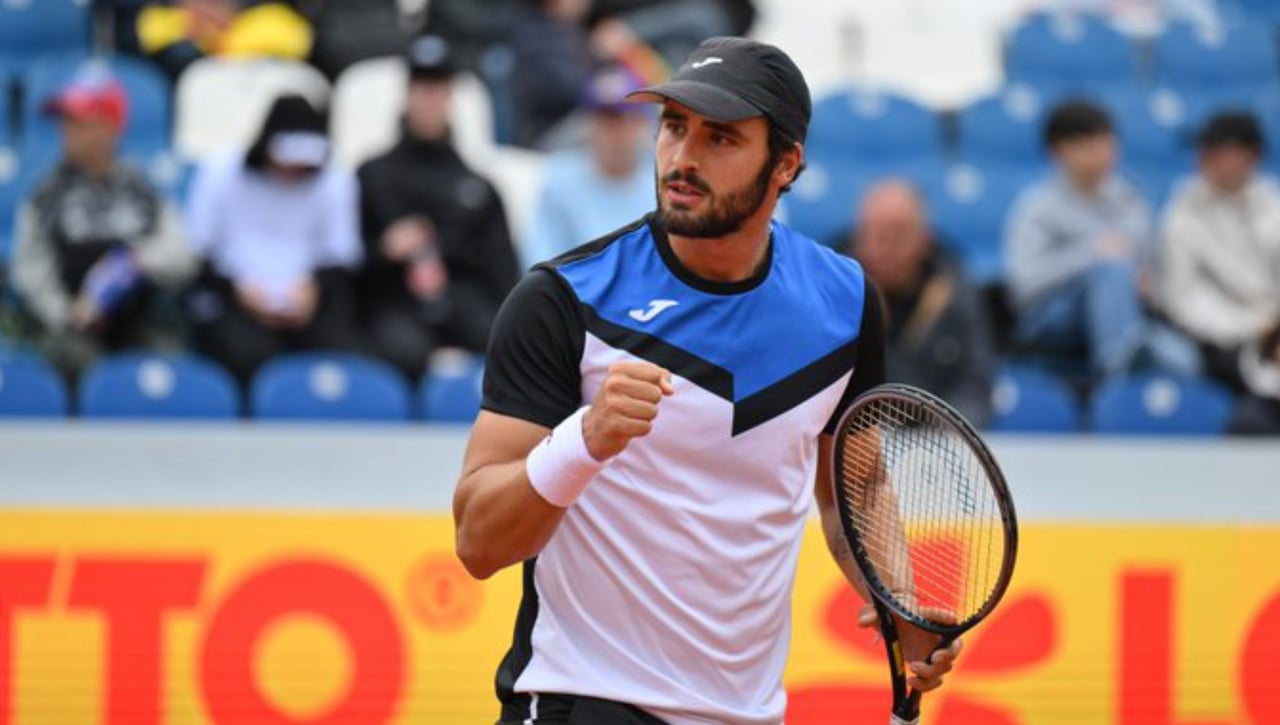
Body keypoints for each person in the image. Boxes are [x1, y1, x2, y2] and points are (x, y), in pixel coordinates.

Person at [453, 37, 960, 725]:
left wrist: (896, 597)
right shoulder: (563, 299)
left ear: (786, 165)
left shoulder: (845, 302)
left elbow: (854, 487)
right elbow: (479, 542)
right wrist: (585, 439)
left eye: (719, 137)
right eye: (672, 126)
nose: (683, 157)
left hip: (745, 712)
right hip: (585, 697)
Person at [11, 64, 195, 375]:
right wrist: (66, 313)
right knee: (73, 361)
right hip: (71, 325)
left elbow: (182, 256)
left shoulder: (143, 190)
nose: (67, 132)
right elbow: (29, 269)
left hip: (141, 321)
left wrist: (135, 261)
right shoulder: (45, 195)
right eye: (66, 122)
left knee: (166, 364)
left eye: (80, 123)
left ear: (110, 126)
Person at [356, 35, 520, 380]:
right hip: (394, 303)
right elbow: (345, 270)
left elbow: (504, 276)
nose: (429, 98)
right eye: (421, 86)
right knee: (402, 351)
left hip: (464, 303)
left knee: (506, 346)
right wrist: (385, 250)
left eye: (439, 87)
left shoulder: (479, 187)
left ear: (451, 96)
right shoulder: (372, 175)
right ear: (407, 93)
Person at [183, 93, 363, 385]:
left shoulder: (336, 181)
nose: (292, 169)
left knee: (348, 361)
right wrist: (239, 292)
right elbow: (198, 252)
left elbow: (342, 255)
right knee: (244, 354)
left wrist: (312, 291)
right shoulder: (220, 173)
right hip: (233, 301)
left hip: (308, 306)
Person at [1003, 100, 1152, 378]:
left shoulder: (1130, 199)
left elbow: (1146, 271)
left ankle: (1127, 361)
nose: (1103, 154)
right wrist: (1092, 256)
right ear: (1059, 151)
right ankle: (1116, 374)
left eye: (1108, 143)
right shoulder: (1036, 207)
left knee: (1182, 359)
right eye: (1090, 145)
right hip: (1052, 318)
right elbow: (1026, 286)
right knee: (1112, 270)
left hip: (1126, 313)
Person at [851, 180, 996, 427]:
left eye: (898, 234)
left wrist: (934, 441)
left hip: (934, 448)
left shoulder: (958, 294)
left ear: (925, 238)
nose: (886, 246)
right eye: (876, 234)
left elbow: (976, 386)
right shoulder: (832, 297)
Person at [1157, 112, 1280, 390]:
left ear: (1251, 156)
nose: (1205, 159)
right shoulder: (1182, 214)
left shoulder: (1273, 206)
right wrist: (1252, 328)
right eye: (1205, 150)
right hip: (1220, 339)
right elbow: (1184, 301)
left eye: (1219, 151)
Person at [523, 65, 654, 266]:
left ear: (643, 124)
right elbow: (539, 263)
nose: (615, 133)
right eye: (605, 120)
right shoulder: (559, 180)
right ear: (587, 124)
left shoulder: (663, 182)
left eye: (624, 120)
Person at [132, 0, 312, 81]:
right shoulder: (165, 20)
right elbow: (144, 34)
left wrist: (234, 8)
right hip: (185, 27)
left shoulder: (273, 20)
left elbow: (299, 41)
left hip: (250, 26)